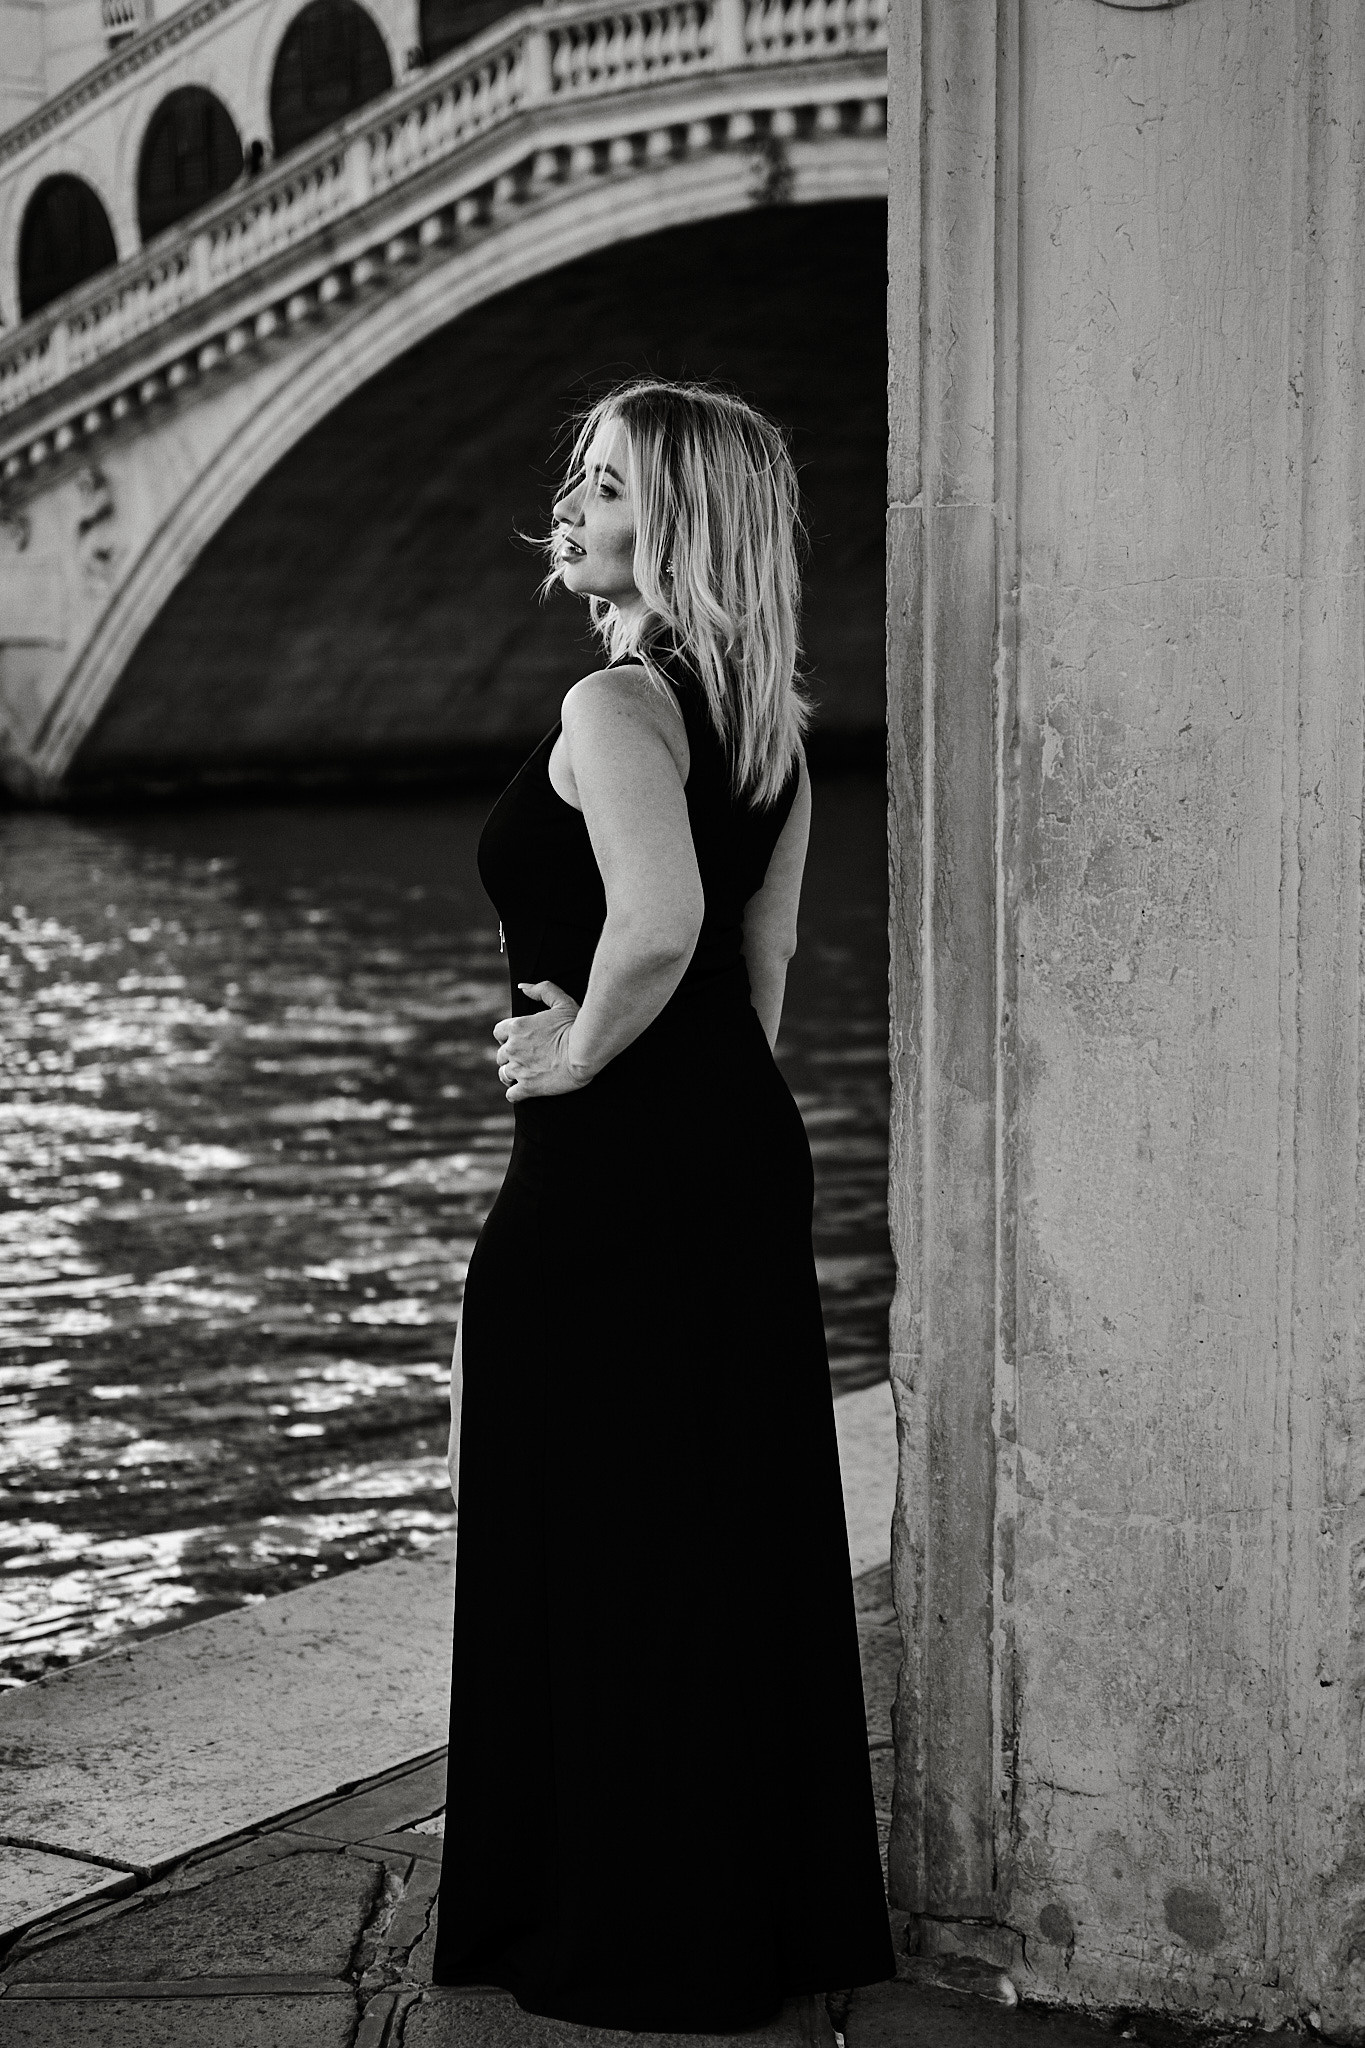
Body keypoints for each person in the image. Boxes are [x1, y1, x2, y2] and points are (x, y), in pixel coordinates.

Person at [433, 377, 896, 2031]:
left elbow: (660, 928)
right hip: (732, 1156)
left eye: (612, 482)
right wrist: (703, 1109)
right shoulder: (772, 732)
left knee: (594, 1537)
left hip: (613, 1166)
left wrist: (575, 1066)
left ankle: (606, 1925)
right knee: (716, 1537)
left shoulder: (617, 709)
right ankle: (748, 1919)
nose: (572, 500)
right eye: (576, 470)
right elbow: (760, 977)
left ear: (681, 524)